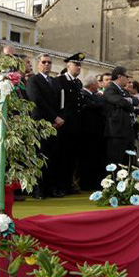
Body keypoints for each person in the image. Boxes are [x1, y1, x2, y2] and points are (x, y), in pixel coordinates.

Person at [26, 53, 63, 198]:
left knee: (52, 156)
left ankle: (50, 187)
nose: (47, 64)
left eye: (49, 62)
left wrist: (61, 117)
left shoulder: (55, 82)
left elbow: (61, 102)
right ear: (38, 64)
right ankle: (38, 189)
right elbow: (36, 99)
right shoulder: (33, 80)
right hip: (40, 122)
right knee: (39, 156)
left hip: (55, 125)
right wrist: (54, 116)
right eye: (44, 62)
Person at [50, 52, 85, 195]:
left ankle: (68, 183)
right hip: (64, 124)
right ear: (68, 65)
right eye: (76, 64)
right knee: (61, 156)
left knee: (72, 156)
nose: (79, 67)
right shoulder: (60, 80)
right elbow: (58, 102)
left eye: (80, 65)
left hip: (75, 124)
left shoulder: (78, 82)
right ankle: (59, 185)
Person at [103, 66, 139, 166]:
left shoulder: (122, 91)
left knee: (127, 162)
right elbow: (121, 102)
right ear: (120, 76)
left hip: (127, 131)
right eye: (126, 76)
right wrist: (131, 105)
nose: (128, 79)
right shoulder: (110, 89)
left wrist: (129, 100)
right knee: (115, 161)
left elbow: (136, 100)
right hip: (116, 131)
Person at [79, 75, 107, 191]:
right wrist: (100, 105)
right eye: (96, 83)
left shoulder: (95, 96)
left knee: (96, 159)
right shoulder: (83, 94)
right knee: (87, 159)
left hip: (97, 132)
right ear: (92, 85)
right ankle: (85, 183)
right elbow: (92, 106)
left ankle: (93, 182)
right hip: (87, 133)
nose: (98, 85)